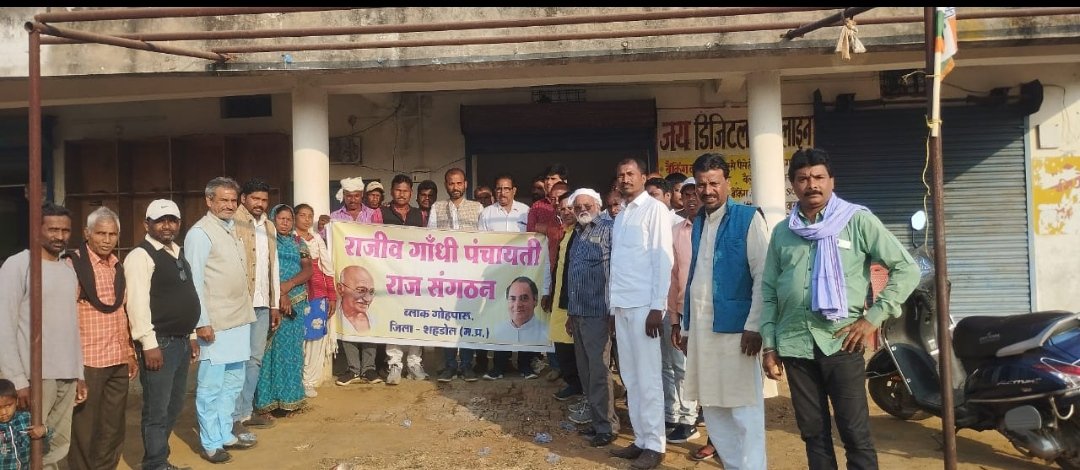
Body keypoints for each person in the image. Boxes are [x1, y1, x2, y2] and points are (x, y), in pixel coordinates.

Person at [760, 148, 920, 470]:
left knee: (854, 432)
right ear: (793, 184)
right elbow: (768, 291)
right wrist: (769, 344)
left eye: (819, 177)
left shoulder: (857, 221)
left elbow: (907, 269)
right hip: (794, 343)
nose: (812, 185)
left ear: (832, 181)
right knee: (813, 433)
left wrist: (872, 319)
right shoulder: (783, 232)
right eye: (803, 179)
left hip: (842, 342)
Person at [677, 153, 771, 468]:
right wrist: (687, 328)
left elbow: (763, 276)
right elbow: (695, 277)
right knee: (714, 407)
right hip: (702, 333)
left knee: (743, 408)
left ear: (728, 183)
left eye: (714, 183)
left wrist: (754, 326)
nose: (707, 191)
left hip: (737, 332)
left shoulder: (748, 218)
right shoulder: (699, 222)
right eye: (701, 185)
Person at [0, 202, 85, 469]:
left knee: (57, 445)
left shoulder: (68, 270)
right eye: (53, 229)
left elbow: (72, 326)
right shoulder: (18, 265)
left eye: (65, 230)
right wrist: (16, 379)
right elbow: (4, 324)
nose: (60, 236)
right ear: (37, 229)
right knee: (28, 446)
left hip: (66, 374)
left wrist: (79, 373)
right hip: (34, 376)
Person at [123, 199, 202, 470]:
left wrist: (191, 335)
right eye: (160, 221)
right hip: (160, 343)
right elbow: (137, 304)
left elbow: (185, 295)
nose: (167, 226)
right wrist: (148, 344)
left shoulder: (177, 252)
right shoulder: (140, 256)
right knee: (157, 408)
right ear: (147, 224)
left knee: (174, 404)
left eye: (172, 220)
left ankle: (159, 457)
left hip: (180, 341)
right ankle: (155, 463)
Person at [184, 177, 257, 464]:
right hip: (214, 323)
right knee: (211, 386)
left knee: (233, 382)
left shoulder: (232, 228)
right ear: (209, 201)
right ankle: (211, 443)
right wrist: (200, 322)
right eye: (223, 200)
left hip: (239, 318)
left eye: (233, 200)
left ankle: (225, 432)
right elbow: (194, 282)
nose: (229, 205)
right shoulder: (200, 233)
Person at [607, 158, 673, 470]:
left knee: (648, 379)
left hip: (645, 307)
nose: (625, 179)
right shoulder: (621, 216)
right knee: (631, 378)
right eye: (621, 175)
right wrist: (612, 307)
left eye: (630, 174)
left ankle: (656, 445)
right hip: (622, 306)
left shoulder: (655, 209)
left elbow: (663, 259)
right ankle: (641, 439)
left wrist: (658, 306)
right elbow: (618, 265)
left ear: (643, 177)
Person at [67, 207, 138, 470]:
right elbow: (64, 319)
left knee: (113, 426)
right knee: (85, 428)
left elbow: (121, 313)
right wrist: (72, 368)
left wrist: (129, 353)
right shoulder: (73, 266)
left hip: (117, 359)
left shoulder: (117, 266)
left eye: (112, 234)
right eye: (101, 233)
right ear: (87, 233)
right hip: (88, 361)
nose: (107, 240)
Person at [564, 188, 619, 448]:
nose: (582, 210)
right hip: (578, 312)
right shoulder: (577, 232)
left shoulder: (609, 229)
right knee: (585, 371)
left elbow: (615, 272)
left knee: (599, 371)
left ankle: (607, 427)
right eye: (577, 207)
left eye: (587, 205)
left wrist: (613, 311)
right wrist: (570, 313)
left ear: (598, 205)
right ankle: (598, 422)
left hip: (599, 312)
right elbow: (574, 275)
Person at [231, 178, 281, 439]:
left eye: (264, 200)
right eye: (255, 199)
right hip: (239, 303)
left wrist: (274, 304)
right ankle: (231, 417)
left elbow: (273, 266)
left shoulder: (269, 226)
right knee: (236, 361)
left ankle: (245, 413)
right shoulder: (233, 222)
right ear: (244, 199)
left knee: (255, 359)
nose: (260, 204)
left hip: (262, 303)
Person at [478, 175, 540, 380]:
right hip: (496, 275)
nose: (502, 192)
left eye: (506, 189)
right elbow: (480, 244)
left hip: (523, 273)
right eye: (498, 189)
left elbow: (534, 240)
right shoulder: (487, 213)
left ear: (514, 190)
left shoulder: (525, 211)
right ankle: (499, 366)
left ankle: (525, 365)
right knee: (501, 317)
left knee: (524, 316)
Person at [254, 204, 312, 416]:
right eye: (281, 219)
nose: (286, 223)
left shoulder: (298, 242)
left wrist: (289, 286)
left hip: (296, 302)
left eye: (289, 219)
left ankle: (290, 400)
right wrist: (280, 294)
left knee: (291, 353)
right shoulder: (266, 241)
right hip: (271, 303)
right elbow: (264, 269)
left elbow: (308, 269)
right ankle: (266, 403)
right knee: (269, 353)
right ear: (273, 219)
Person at [428, 168, 484, 383]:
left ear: (466, 184)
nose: (455, 187)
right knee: (447, 319)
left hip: (470, 272)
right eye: (451, 183)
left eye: (459, 183)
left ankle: (467, 365)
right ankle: (450, 365)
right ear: (446, 185)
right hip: (445, 272)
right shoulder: (437, 207)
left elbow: (484, 240)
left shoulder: (477, 207)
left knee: (467, 318)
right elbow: (431, 238)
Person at [330, 176, 383, 387]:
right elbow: (327, 241)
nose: (352, 199)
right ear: (343, 196)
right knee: (347, 319)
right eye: (348, 196)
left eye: (356, 196)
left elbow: (383, 240)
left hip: (370, 274)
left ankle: (369, 368)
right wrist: (324, 228)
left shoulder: (374, 215)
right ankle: (353, 369)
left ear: (362, 196)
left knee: (369, 319)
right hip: (347, 275)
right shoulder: (334, 217)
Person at [661, 179, 700, 445]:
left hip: (710, 312)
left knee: (692, 368)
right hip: (682, 309)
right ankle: (676, 415)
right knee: (674, 364)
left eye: (695, 193)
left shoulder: (715, 228)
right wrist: (674, 318)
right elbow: (673, 277)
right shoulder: (677, 231)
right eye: (686, 195)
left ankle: (691, 418)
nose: (691, 199)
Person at [379, 174, 428, 384]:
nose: (401, 194)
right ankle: (394, 365)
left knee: (416, 318)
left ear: (411, 193)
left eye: (405, 191)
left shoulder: (420, 215)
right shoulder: (381, 213)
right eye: (398, 190)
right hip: (390, 275)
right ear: (392, 191)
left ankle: (414, 363)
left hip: (415, 275)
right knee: (393, 318)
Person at [295, 204, 336, 398]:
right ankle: (294, 380)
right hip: (295, 292)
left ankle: (309, 381)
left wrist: (332, 295)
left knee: (315, 339)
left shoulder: (317, 239)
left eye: (309, 216)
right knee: (297, 338)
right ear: (295, 217)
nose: (306, 219)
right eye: (302, 215)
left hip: (317, 293)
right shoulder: (288, 239)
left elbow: (327, 268)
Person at [548, 191, 581, 398]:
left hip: (573, 302)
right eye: (562, 209)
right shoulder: (566, 234)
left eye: (570, 208)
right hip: (560, 299)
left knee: (573, 349)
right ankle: (573, 384)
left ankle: (579, 386)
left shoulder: (581, 234)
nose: (567, 212)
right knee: (562, 346)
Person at [0, 378, 49, 470]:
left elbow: (49, 434)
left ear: (16, 401)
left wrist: (43, 430)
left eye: (8, 405)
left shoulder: (26, 418)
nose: (3, 412)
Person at [492, 276, 549, 344]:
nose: (518, 304)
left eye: (524, 298)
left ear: (535, 300)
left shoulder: (547, 334)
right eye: (513, 299)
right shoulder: (497, 333)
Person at [337, 265, 377, 334]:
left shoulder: (376, 320)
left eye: (371, 292)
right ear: (340, 289)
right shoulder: (334, 320)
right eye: (361, 290)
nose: (367, 299)